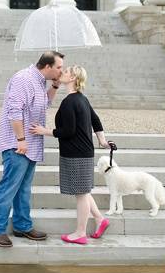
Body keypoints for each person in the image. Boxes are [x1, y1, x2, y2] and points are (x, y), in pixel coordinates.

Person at [0, 51, 64, 247]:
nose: (61, 71)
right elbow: (13, 110)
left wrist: (56, 85)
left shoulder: (40, 81)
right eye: (59, 67)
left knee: (23, 189)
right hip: (18, 145)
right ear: (47, 66)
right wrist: (20, 139)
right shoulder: (24, 78)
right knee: (8, 188)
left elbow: (46, 103)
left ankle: (22, 226)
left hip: (31, 144)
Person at [30, 65, 110, 245]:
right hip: (84, 152)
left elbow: (68, 131)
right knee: (83, 190)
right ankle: (100, 219)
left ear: (73, 77)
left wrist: (45, 131)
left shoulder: (70, 101)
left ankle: (80, 233)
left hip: (76, 154)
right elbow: (96, 121)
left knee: (81, 194)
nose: (61, 73)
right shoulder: (82, 99)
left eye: (65, 72)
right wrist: (102, 141)